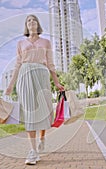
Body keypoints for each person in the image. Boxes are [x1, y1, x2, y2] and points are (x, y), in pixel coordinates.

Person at [5, 14, 64, 165]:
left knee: (42, 110)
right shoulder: (20, 43)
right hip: (25, 75)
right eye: (28, 21)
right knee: (30, 112)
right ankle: (33, 151)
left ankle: (42, 137)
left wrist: (57, 83)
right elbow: (17, 65)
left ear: (38, 24)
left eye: (34, 20)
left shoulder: (46, 42)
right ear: (26, 26)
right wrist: (10, 85)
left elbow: (50, 63)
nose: (31, 22)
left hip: (42, 75)